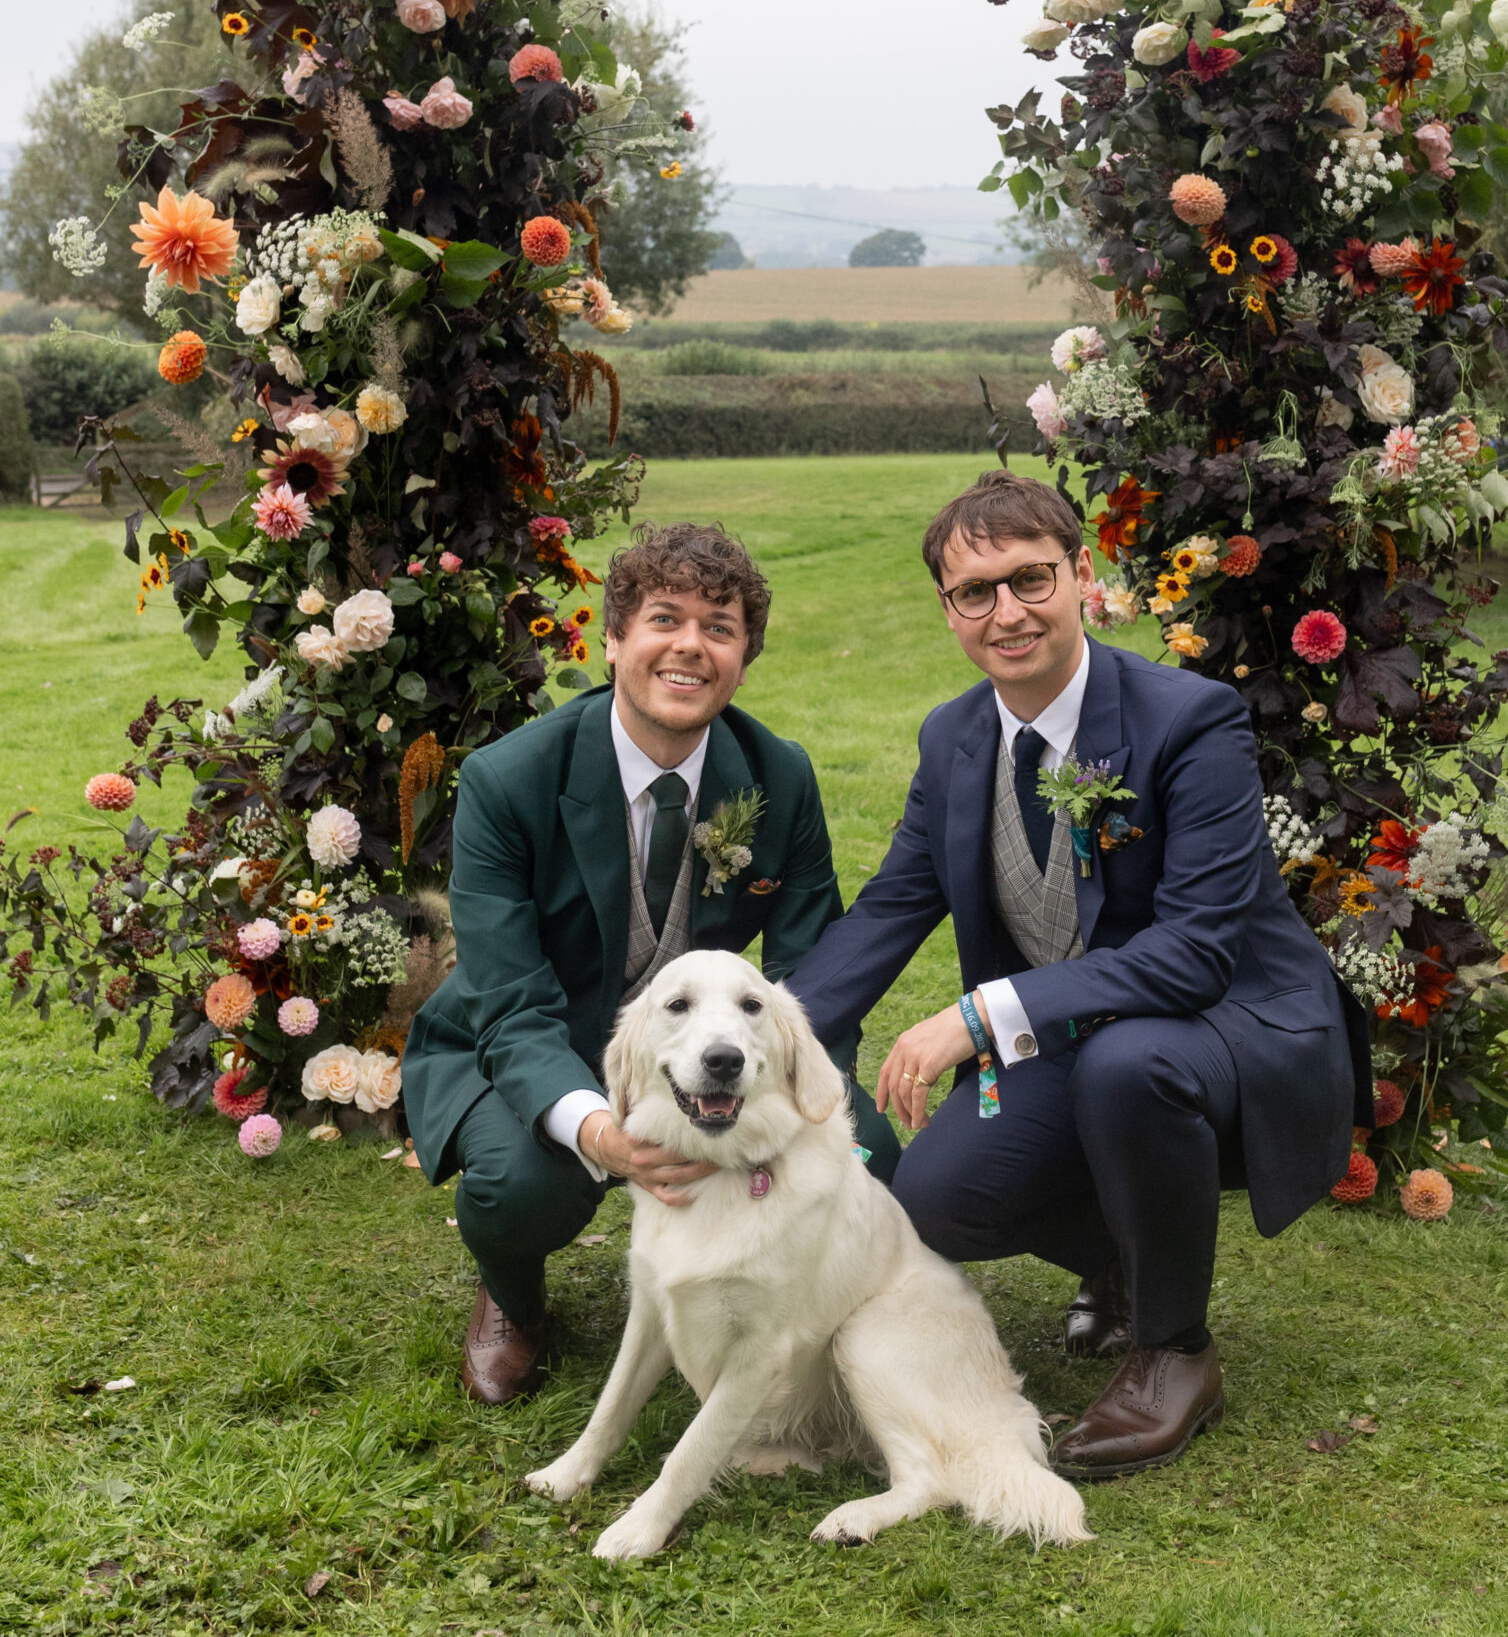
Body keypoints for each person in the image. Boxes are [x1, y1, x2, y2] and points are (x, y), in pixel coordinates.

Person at [787, 470, 1371, 1478]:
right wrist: (770, 1037)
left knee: (1129, 1067)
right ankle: (1128, 1260)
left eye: (1029, 579)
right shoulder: (954, 737)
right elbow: (891, 904)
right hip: (1081, 1032)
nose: (1006, 612)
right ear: (949, 609)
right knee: (936, 1197)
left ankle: (1174, 1349)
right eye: (976, 591)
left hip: (1235, 1022)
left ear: (1082, 574)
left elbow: (1195, 950)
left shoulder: (1188, 721)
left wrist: (981, 1012)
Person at [402, 520, 896, 1405]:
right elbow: (508, 998)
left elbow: (812, 973)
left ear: (745, 657)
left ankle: (783, 1302)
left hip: (701, 1044)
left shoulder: (777, 776)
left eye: (720, 626)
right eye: (665, 617)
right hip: (520, 1034)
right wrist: (600, 1130)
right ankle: (513, 1296)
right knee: (522, 1187)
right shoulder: (506, 780)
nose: (691, 647)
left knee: (870, 1148)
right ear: (613, 637)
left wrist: (803, 1102)